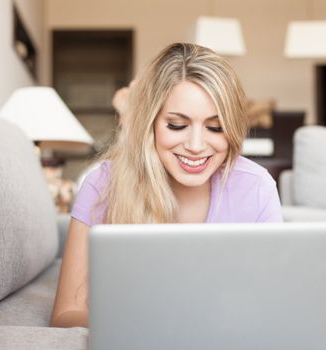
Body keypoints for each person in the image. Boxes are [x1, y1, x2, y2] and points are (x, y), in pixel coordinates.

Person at [50, 43, 283, 328]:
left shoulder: (256, 188)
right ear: (151, 123)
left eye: (215, 127)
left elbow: (270, 307)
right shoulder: (103, 185)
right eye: (176, 125)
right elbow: (65, 315)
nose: (196, 146)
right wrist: (155, 326)